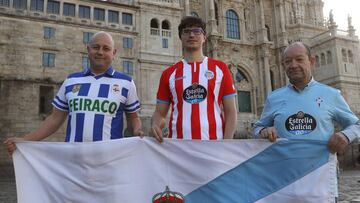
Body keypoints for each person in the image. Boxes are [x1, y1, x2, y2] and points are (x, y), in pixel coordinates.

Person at [5, 31, 143, 154]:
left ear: (114, 53)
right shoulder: (71, 80)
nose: (100, 52)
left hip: (110, 161)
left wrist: (137, 131)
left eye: (106, 48)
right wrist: (25, 141)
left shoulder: (126, 82)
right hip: (73, 163)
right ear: (88, 50)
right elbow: (55, 119)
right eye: (96, 47)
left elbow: (133, 118)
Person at [253, 42, 360, 200]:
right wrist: (263, 131)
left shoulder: (331, 94)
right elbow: (257, 128)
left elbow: (356, 125)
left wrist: (345, 135)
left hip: (320, 181)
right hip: (282, 182)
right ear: (283, 65)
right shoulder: (274, 97)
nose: (293, 65)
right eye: (288, 61)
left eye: (299, 59)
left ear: (312, 61)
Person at [150, 16, 237, 142]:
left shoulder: (220, 69)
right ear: (180, 37)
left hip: (214, 146)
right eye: (186, 31)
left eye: (197, 31)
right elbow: (160, 113)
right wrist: (155, 125)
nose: (192, 35)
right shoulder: (169, 74)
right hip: (179, 148)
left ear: (204, 37)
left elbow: (231, 112)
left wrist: (227, 143)